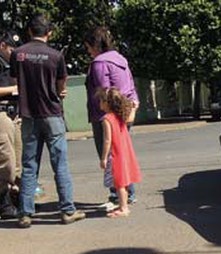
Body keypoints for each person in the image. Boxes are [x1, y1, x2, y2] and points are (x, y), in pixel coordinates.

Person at [10, 14, 85, 228]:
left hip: (29, 115)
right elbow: (62, 85)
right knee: (60, 164)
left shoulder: (18, 54)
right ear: (49, 33)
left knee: (29, 165)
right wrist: (59, 93)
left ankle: (25, 214)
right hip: (52, 114)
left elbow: (16, 82)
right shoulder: (56, 55)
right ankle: (67, 210)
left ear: (29, 32)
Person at [84, 26, 139, 208]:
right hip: (124, 112)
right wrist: (133, 106)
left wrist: (104, 113)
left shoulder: (99, 63)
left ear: (94, 45)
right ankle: (127, 193)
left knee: (109, 156)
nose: (88, 51)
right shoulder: (121, 60)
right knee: (121, 154)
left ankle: (119, 196)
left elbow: (103, 92)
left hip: (106, 116)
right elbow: (131, 86)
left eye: (88, 47)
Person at [96, 88, 141, 218]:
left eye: (101, 100)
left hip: (115, 154)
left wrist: (103, 158)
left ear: (107, 103)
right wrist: (134, 107)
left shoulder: (106, 119)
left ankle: (124, 208)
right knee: (124, 181)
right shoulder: (121, 115)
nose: (99, 103)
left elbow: (107, 140)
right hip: (125, 152)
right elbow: (131, 117)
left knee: (119, 183)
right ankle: (123, 205)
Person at [0, 30, 21, 219]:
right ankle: (4, 203)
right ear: (2, 45)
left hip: (15, 114)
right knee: (5, 161)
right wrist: (13, 88)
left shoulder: (12, 63)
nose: (14, 51)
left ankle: (17, 200)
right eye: (11, 47)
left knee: (18, 163)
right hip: (1, 114)